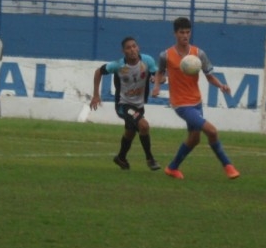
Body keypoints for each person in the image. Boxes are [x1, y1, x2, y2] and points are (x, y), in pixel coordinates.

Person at [152, 17, 240, 180]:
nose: (185, 35)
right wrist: (157, 86)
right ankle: (228, 166)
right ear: (175, 33)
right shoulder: (166, 55)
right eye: (181, 32)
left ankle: (172, 168)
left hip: (196, 101)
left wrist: (221, 85)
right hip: (180, 104)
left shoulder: (199, 54)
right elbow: (160, 73)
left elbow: (209, 76)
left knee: (194, 139)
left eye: (187, 32)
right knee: (211, 131)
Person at [90, 36, 161, 171]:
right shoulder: (118, 65)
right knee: (143, 126)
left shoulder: (147, 61)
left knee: (130, 132)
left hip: (139, 105)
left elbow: (158, 75)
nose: (132, 50)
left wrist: (157, 82)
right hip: (123, 105)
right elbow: (98, 71)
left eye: (134, 46)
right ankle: (150, 159)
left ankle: (121, 158)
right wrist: (96, 95)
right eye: (128, 48)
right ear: (124, 51)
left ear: (138, 48)